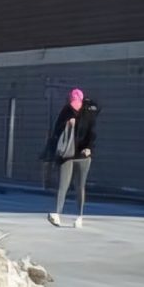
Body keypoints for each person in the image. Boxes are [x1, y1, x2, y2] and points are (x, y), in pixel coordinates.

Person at [47, 89, 99, 228]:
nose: (74, 106)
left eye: (76, 103)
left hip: (83, 155)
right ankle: (57, 214)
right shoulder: (66, 110)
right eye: (72, 103)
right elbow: (56, 130)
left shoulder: (88, 112)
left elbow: (92, 133)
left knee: (79, 186)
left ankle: (79, 217)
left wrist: (89, 148)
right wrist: (66, 124)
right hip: (67, 153)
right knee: (63, 185)